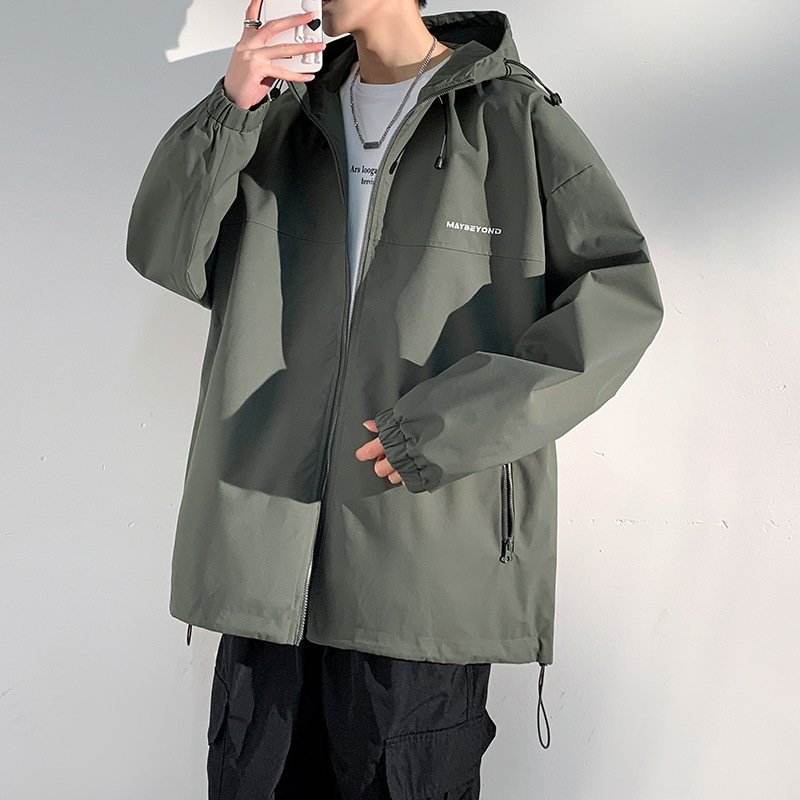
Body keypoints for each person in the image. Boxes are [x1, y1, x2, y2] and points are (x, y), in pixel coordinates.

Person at [125, 0, 664, 796]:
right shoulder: (278, 120)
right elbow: (167, 255)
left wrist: (445, 428)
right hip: (265, 566)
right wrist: (231, 106)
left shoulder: (513, 121)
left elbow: (622, 300)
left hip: (421, 573)